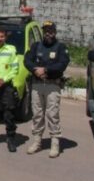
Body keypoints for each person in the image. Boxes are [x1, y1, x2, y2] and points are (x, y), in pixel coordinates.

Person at [24, 21, 70, 158]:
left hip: (52, 85)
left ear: (55, 32)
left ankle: (55, 143)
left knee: (52, 114)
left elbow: (62, 64)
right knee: (37, 114)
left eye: (51, 31)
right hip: (37, 85)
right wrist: (34, 70)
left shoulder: (61, 47)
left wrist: (46, 69)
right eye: (46, 31)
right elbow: (27, 60)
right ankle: (37, 141)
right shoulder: (36, 46)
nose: (48, 33)